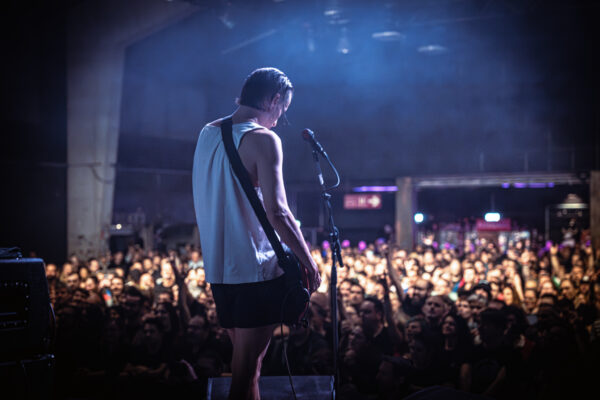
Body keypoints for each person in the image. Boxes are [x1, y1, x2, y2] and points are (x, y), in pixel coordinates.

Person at [192, 67, 320, 400]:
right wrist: (309, 261)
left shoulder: (208, 133)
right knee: (247, 372)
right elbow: (279, 213)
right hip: (255, 271)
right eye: (283, 109)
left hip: (220, 272)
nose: (279, 119)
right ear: (274, 99)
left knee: (249, 371)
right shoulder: (263, 139)